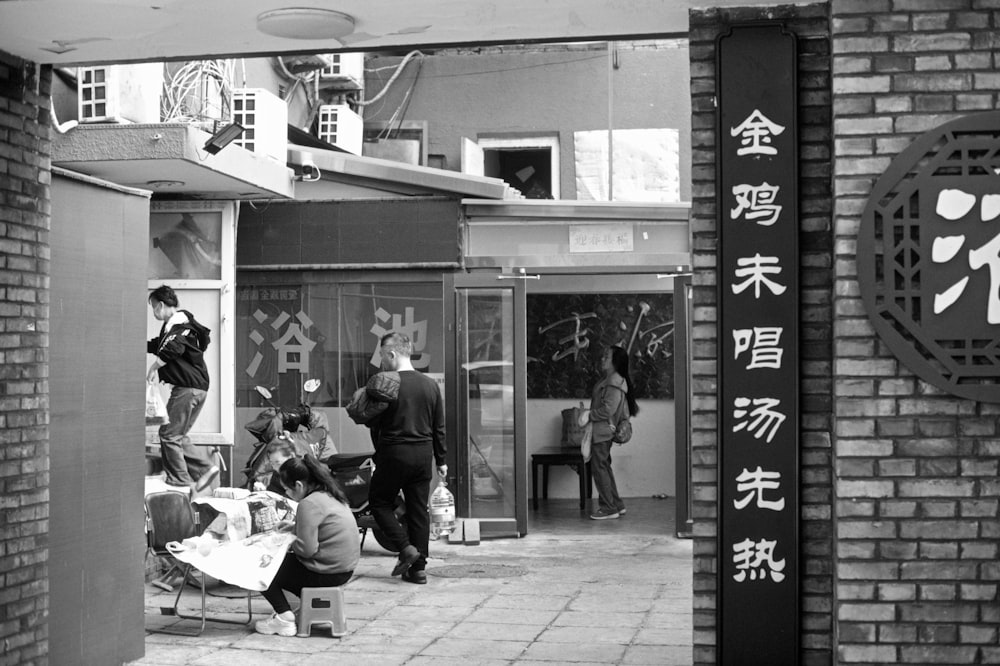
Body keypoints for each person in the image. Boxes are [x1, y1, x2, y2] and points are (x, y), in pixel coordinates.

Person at [368, 332, 447, 584]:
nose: (382, 361)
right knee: (418, 511)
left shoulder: (386, 384)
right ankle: (419, 569)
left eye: (382, 355)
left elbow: (374, 425)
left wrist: (379, 453)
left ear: (392, 354)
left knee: (378, 502)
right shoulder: (430, 385)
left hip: (394, 452)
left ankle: (405, 548)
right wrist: (442, 460)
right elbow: (439, 428)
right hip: (423, 455)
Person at [255, 454, 360, 637]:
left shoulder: (308, 504)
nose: (287, 494)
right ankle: (301, 610)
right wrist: (295, 528)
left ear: (299, 485)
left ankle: (284, 618)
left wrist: (285, 542)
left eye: (287, 489)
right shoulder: (330, 495)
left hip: (326, 573)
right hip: (344, 570)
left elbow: (307, 550)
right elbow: (323, 530)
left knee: (260, 563)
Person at [147, 284, 219, 492]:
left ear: (160, 304)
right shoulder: (178, 326)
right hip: (197, 389)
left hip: (187, 389)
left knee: (168, 435)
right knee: (177, 435)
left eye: (153, 307)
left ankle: (180, 480)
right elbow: (160, 345)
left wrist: (154, 366)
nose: (154, 312)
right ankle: (203, 470)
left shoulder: (178, 325)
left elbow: (173, 348)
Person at [586, 345, 639, 520]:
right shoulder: (612, 379)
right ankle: (616, 504)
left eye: (606, 357)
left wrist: (588, 415)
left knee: (599, 468)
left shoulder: (614, 382)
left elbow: (608, 410)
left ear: (615, 362)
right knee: (604, 468)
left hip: (602, 432)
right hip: (602, 432)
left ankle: (608, 508)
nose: (602, 359)